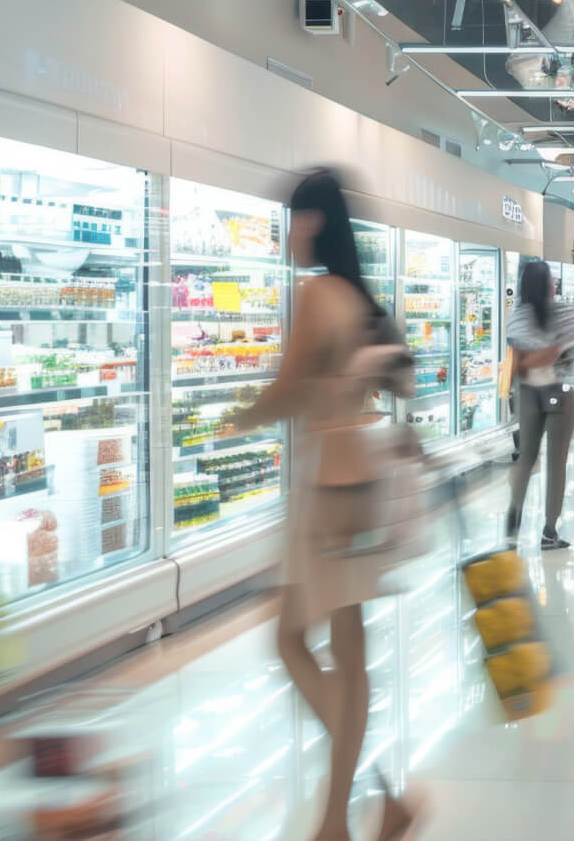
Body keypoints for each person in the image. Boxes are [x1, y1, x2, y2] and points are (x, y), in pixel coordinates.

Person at [232, 169, 424, 841]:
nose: (289, 233)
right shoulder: (360, 297)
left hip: (328, 490)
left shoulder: (316, 293)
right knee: (348, 649)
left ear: (314, 221)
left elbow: (287, 390)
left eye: (293, 218)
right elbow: (405, 376)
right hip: (362, 487)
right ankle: (353, 812)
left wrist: (235, 419)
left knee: (291, 640)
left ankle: (342, 814)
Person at [504, 259, 574, 550]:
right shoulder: (567, 313)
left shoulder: (517, 315)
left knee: (526, 457)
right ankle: (549, 531)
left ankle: (513, 514)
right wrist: (557, 351)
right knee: (557, 462)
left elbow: (519, 362)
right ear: (549, 285)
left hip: (529, 392)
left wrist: (534, 357)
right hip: (562, 391)